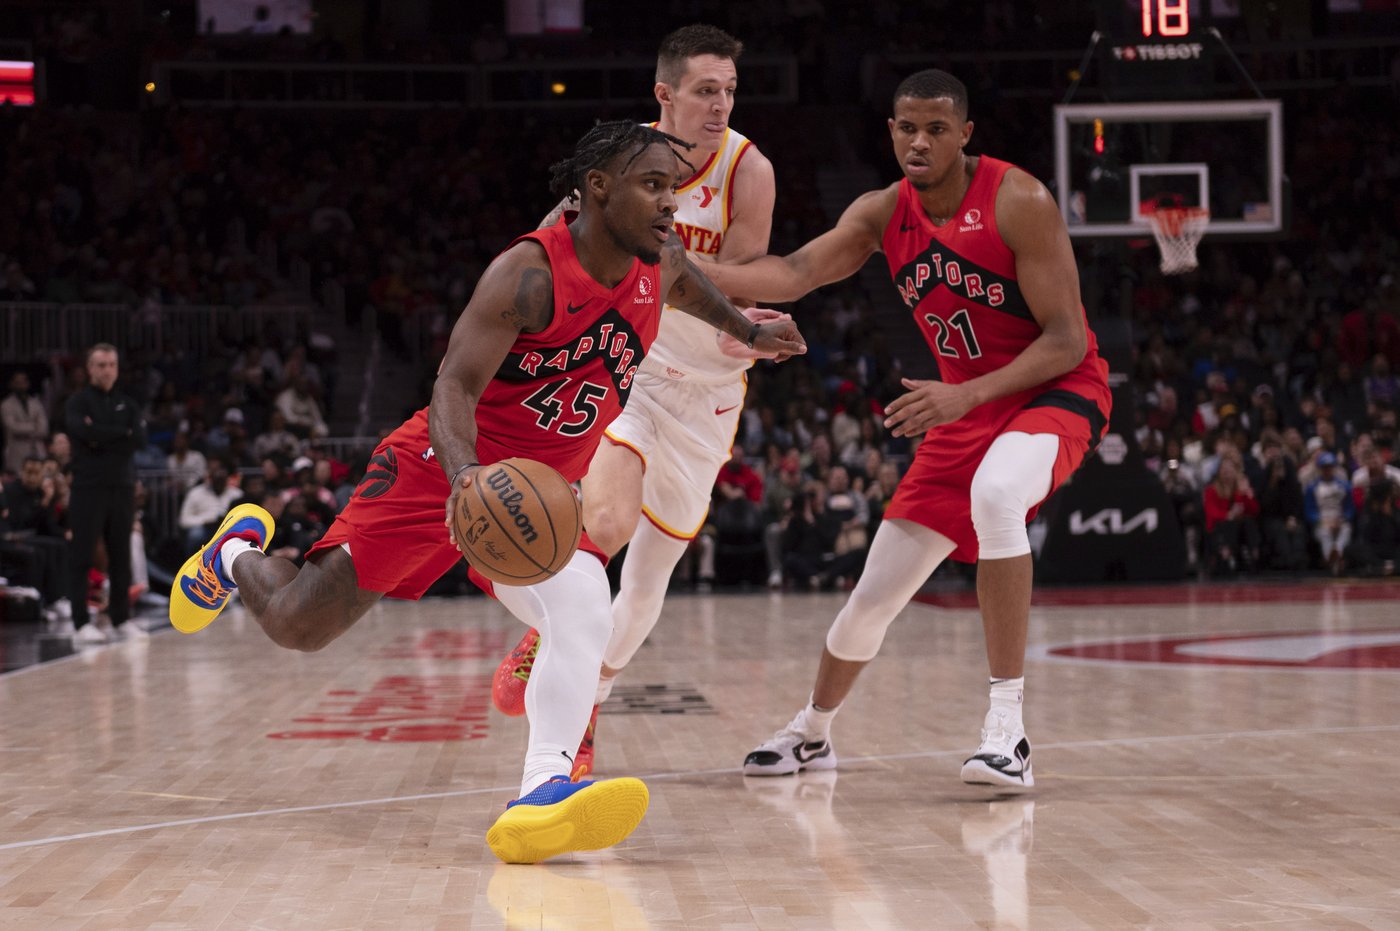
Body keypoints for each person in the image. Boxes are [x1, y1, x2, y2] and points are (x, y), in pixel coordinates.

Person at [168, 121, 805, 863]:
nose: (672, 203)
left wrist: (746, 332)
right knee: (296, 624)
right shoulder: (529, 274)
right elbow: (453, 387)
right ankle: (236, 552)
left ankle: (543, 790)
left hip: (535, 496)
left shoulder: (657, 261)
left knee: (584, 606)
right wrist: (466, 479)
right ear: (599, 187)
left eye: (675, 187)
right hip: (442, 468)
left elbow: (690, 283)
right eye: (654, 186)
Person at [701, 69, 1112, 788]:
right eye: (907, 128)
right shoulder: (881, 212)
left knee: (997, 494)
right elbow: (794, 273)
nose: (919, 142)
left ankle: (1008, 732)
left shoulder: (1019, 199)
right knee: (873, 598)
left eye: (936, 129)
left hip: (1054, 391)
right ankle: (813, 733)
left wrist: (968, 394)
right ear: (891, 131)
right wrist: (678, 267)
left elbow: (1067, 339)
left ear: (965, 135)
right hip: (963, 408)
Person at [491, 24, 779, 766]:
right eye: (706, 90)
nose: (721, 105)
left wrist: (747, 325)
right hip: (634, 368)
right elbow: (554, 242)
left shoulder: (749, 170)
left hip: (709, 394)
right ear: (665, 94)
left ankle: (593, 689)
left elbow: (732, 283)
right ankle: (564, 682)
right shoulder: (621, 160)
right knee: (608, 522)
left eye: (729, 91)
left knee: (648, 585)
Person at [66, 344, 147, 644]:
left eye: (112, 364)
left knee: (121, 555)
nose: (107, 370)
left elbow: (139, 439)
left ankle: (120, 618)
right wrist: (121, 433)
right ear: (89, 368)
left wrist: (100, 435)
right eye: (101, 365)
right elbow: (81, 433)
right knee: (82, 554)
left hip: (122, 487)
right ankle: (80, 623)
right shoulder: (78, 402)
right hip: (88, 487)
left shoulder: (128, 403)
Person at [2, 371, 49, 476]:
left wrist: (25, 429)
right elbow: (13, 427)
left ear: (28, 383)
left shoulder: (35, 403)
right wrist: (34, 426)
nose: (21, 385)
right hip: (17, 453)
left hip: (38, 451)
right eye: (17, 382)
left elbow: (44, 428)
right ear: (12, 384)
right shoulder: (6, 405)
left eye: (23, 381)